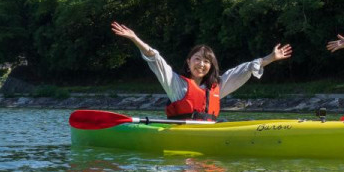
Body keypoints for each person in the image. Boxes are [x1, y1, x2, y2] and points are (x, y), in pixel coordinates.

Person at [111, 22, 292, 121]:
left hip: (207, 133)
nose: (201, 64)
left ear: (211, 66)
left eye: (206, 61)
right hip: (181, 135)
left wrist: (270, 58)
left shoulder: (216, 87)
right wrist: (135, 38)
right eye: (197, 59)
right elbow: (156, 59)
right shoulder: (175, 85)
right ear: (188, 62)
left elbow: (243, 70)